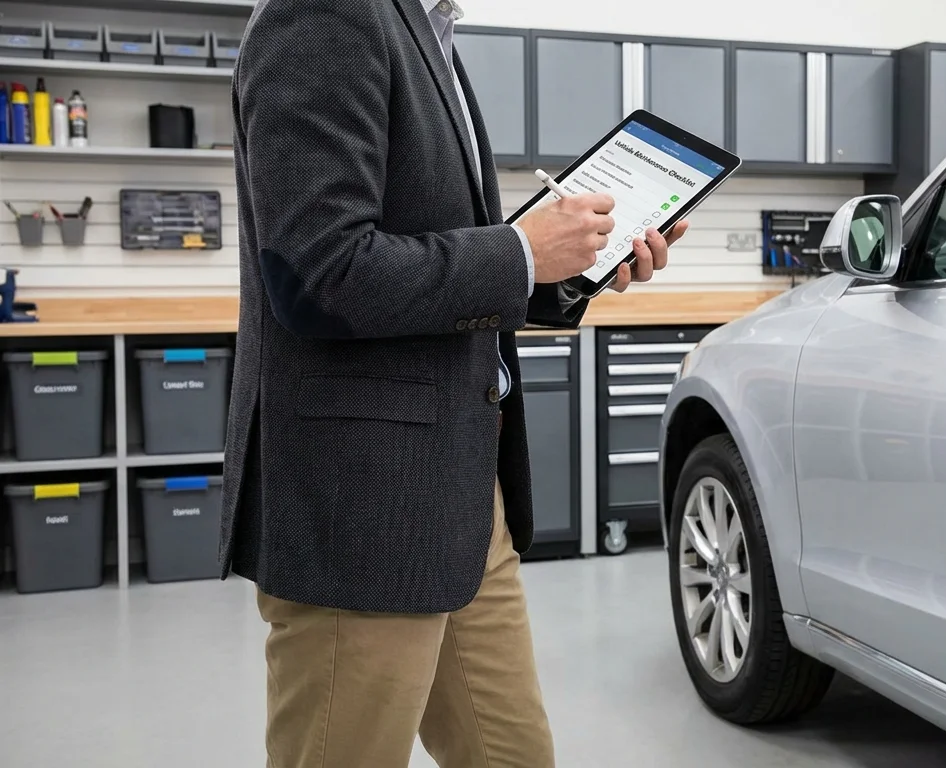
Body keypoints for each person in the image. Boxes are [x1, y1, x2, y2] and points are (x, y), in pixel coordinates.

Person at [218, 0, 686, 765]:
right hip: (365, 509)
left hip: (468, 496)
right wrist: (523, 253)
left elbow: (436, 258)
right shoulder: (325, 13)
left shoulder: (425, 31)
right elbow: (319, 274)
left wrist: (565, 270)